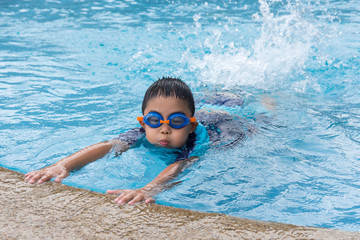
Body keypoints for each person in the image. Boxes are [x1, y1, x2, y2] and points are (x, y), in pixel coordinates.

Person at [25, 77, 249, 205]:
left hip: (224, 122)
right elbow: (108, 146)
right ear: (143, 123)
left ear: (190, 126)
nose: (165, 129)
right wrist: (62, 165)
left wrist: (149, 189)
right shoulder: (143, 132)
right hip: (202, 111)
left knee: (244, 113)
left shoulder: (194, 141)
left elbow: (178, 166)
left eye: (176, 121)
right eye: (154, 120)